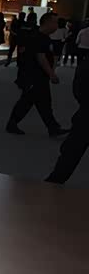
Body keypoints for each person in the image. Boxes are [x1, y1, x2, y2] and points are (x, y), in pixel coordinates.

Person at [6, 12, 68, 137]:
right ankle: (13, 124)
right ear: (47, 22)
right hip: (34, 75)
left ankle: (53, 127)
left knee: (42, 102)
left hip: (39, 76)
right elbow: (41, 57)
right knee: (28, 101)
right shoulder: (38, 37)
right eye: (55, 22)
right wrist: (52, 74)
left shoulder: (44, 37)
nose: (57, 25)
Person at [46, 56, 89, 184]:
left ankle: (54, 183)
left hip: (85, 115)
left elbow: (78, 89)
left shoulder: (86, 63)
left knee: (71, 153)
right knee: (72, 151)